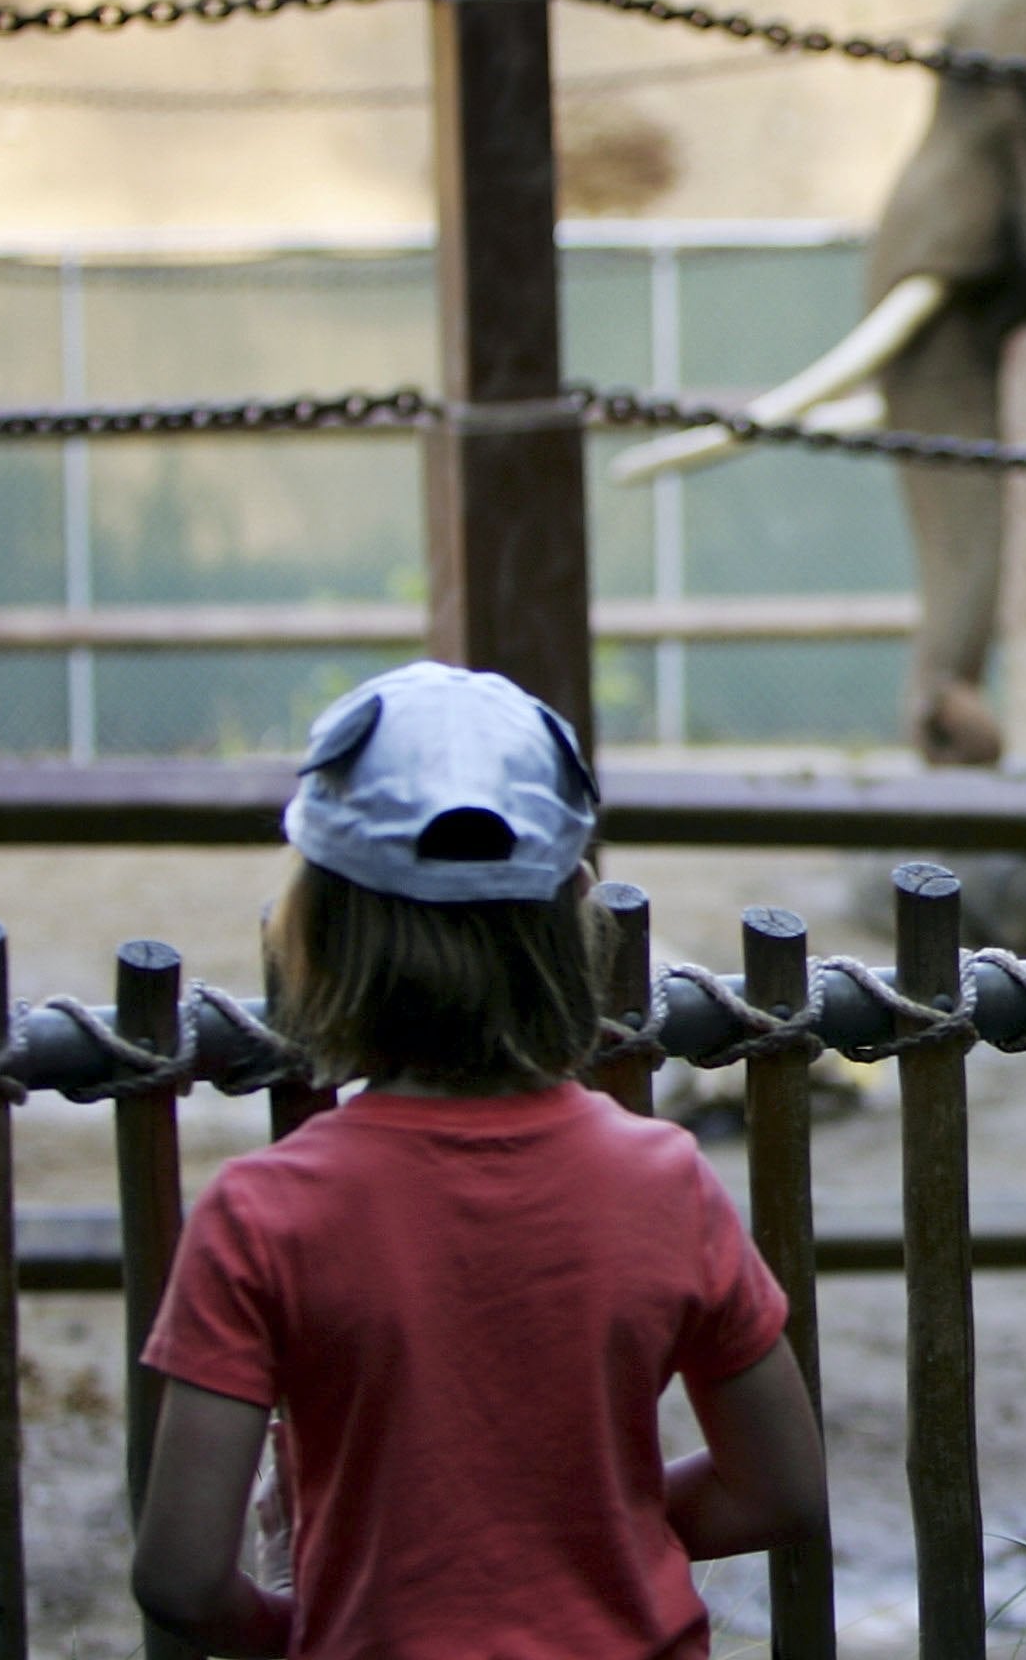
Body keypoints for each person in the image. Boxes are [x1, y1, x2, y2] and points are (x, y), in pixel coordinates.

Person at [132, 661, 826, 1660]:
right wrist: (585, 1543)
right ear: (575, 903)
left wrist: (309, 1621)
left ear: (312, 923)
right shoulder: (663, 1180)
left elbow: (181, 1573)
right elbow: (782, 1487)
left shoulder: (261, 1212)